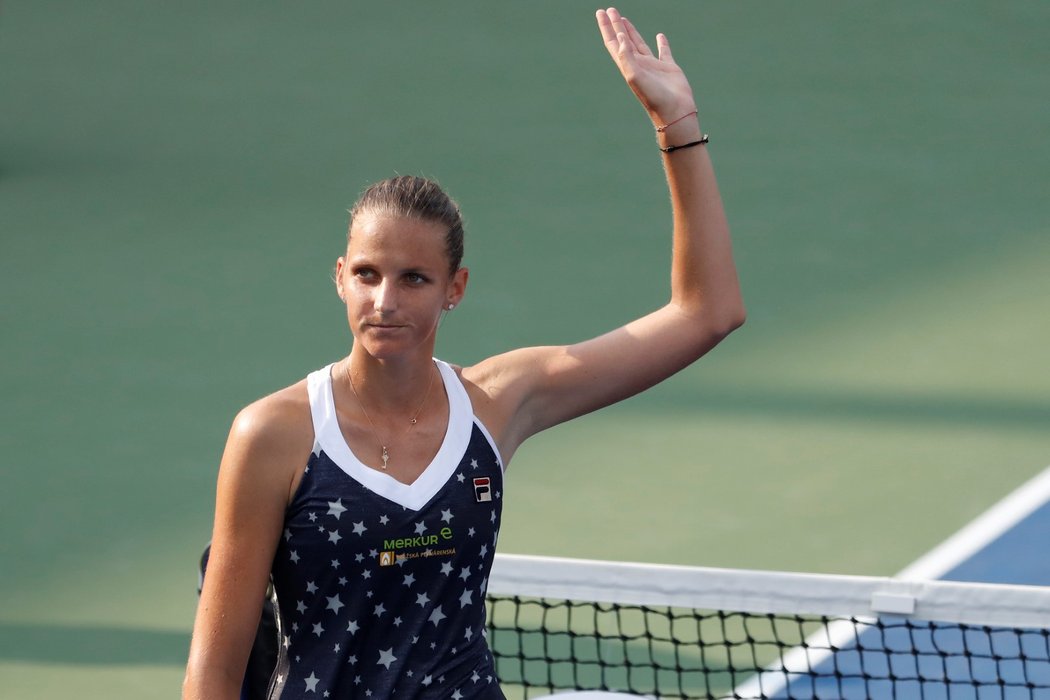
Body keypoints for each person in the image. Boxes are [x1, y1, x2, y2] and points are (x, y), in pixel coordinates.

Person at [183, 7, 745, 700]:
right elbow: (213, 671)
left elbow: (707, 313)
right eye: (366, 274)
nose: (385, 300)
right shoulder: (272, 435)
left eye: (414, 279)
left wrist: (678, 126)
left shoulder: (498, 404)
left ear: (456, 289)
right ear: (339, 277)